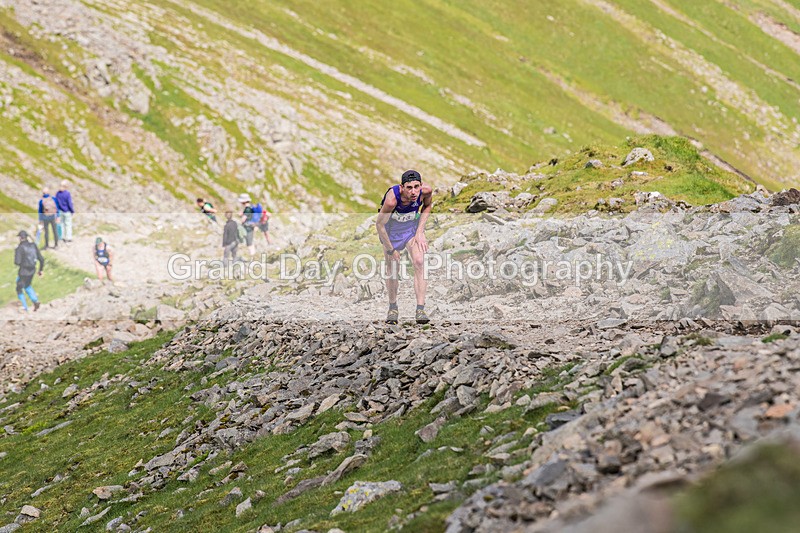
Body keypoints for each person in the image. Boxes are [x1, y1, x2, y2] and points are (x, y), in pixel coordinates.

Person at [375, 169, 432, 325]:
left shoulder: (426, 191)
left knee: (419, 261)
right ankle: (393, 308)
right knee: (393, 268)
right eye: (409, 187)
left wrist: (420, 232)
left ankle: (420, 309)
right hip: (390, 232)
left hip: (410, 230)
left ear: (421, 185)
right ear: (402, 187)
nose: (413, 192)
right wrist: (390, 250)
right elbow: (379, 225)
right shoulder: (392, 200)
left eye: (416, 186)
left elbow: (427, 206)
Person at [14, 230, 44, 313]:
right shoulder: (33, 245)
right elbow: (41, 259)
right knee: (27, 285)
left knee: (19, 288)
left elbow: (17, 262)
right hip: (32, 270)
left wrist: (16, 253)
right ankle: (35, 300)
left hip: (23, 271)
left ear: (20, 238)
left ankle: (24, 307)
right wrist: (40, 270)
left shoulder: (20, 248)